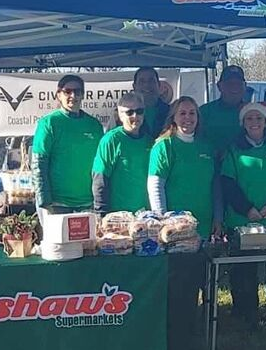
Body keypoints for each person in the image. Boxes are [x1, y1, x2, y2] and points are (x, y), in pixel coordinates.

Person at [221, 102, 266, 332]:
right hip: (243, 221)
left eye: (259, 119)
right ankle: (247, 319)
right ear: (242, 123)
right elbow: (228, 184)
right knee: (244, 273)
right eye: (249, 119)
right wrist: (247, 209)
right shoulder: (233, 150)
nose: (254, 123)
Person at [147, 96, 219, 238]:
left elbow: (215, 185)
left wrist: (218, 218)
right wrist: (163, 221)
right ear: (173, 117)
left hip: (204, 223)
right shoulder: (164, 146)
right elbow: (155, 186)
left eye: (192, 113)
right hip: (175, 226)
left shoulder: (206, 147)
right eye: (182, 113)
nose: (188, 117)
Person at [32, 75, 104, 214]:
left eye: (77, 91)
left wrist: (100, 200)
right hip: (57, 203)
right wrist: (44, 201)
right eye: (67, 91)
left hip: (88, 203)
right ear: (58, 95)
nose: (73, 95)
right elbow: (38, 165)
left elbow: (100, 165)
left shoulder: (94, 125)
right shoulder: (48, 123)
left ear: (83, 95)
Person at [92, 91, 153, 214]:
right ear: (120, 116)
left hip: (146, 216)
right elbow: (100, 179)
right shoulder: (111, 140)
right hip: (118, 217)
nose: (135, 116)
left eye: (139, 111)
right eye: (129, 112)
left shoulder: (150, 142)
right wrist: (101, 214)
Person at [199, 65, 248, 158]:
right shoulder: (204, 111)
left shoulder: (253, 113)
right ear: (219, 86)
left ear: (245, 86)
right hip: (210, 167)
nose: (234, 87)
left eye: (238, 84)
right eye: (230, 84)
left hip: (243, 168)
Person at [133, 67, 170, 138]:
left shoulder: (171, 112)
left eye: (151, 80)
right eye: (142, 81)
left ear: (159, 85)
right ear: (134, 87)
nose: (147, 85)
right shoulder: (124, 114)